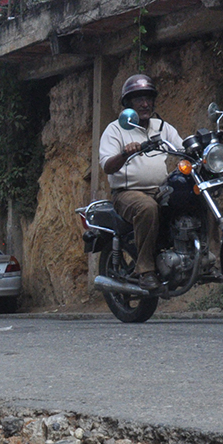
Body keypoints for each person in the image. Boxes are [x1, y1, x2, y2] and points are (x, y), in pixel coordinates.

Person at [98, 73, 182, 292]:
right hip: (127, 193)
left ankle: (203, 255)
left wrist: (207, 143)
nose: (145, 103)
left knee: (193, 195)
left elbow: (183, 149)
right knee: (147, 208)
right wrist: (125, 153)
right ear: (128, 104)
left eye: (148, 98)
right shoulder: (116, 129)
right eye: (138, 99)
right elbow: (107, 165)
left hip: (160, 189)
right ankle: (145, 270)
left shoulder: (162, 127)